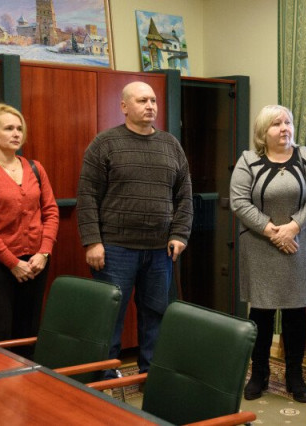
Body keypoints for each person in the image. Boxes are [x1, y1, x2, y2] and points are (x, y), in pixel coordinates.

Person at [76, 81, 193, 376]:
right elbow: (87, 195)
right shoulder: (105, 143)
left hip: (160, 250)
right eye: (142, 100)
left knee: (157, 315)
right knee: (109, 317)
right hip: (114, 249)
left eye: (153, 100)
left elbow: (184, 196)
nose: (150, 106)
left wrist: (180, 234)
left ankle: (150, 376)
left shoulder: (171, 145)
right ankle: (104, 378)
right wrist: (92, 241)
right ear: (124, 106)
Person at [230, 105, 306, 403]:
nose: (285, 128)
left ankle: (294, 375)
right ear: (263, 132)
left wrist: (292, 228)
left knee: (296, 313)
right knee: (261, 312)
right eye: (276, 124)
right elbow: (238, 201)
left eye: (288, 122)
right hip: (260, 246)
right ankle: (259, 372)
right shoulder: (248, 160)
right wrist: (273, 232)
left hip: (299, 246)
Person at [0, 103, 59, 346]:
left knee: (29, 335)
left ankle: (28, 372)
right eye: (8, 128)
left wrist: (44, 252)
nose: (16, 133)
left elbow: (50, 212)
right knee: (0, 336)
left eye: (19, 128)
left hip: (36, 264)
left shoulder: (35, 168)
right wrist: (13, 263)